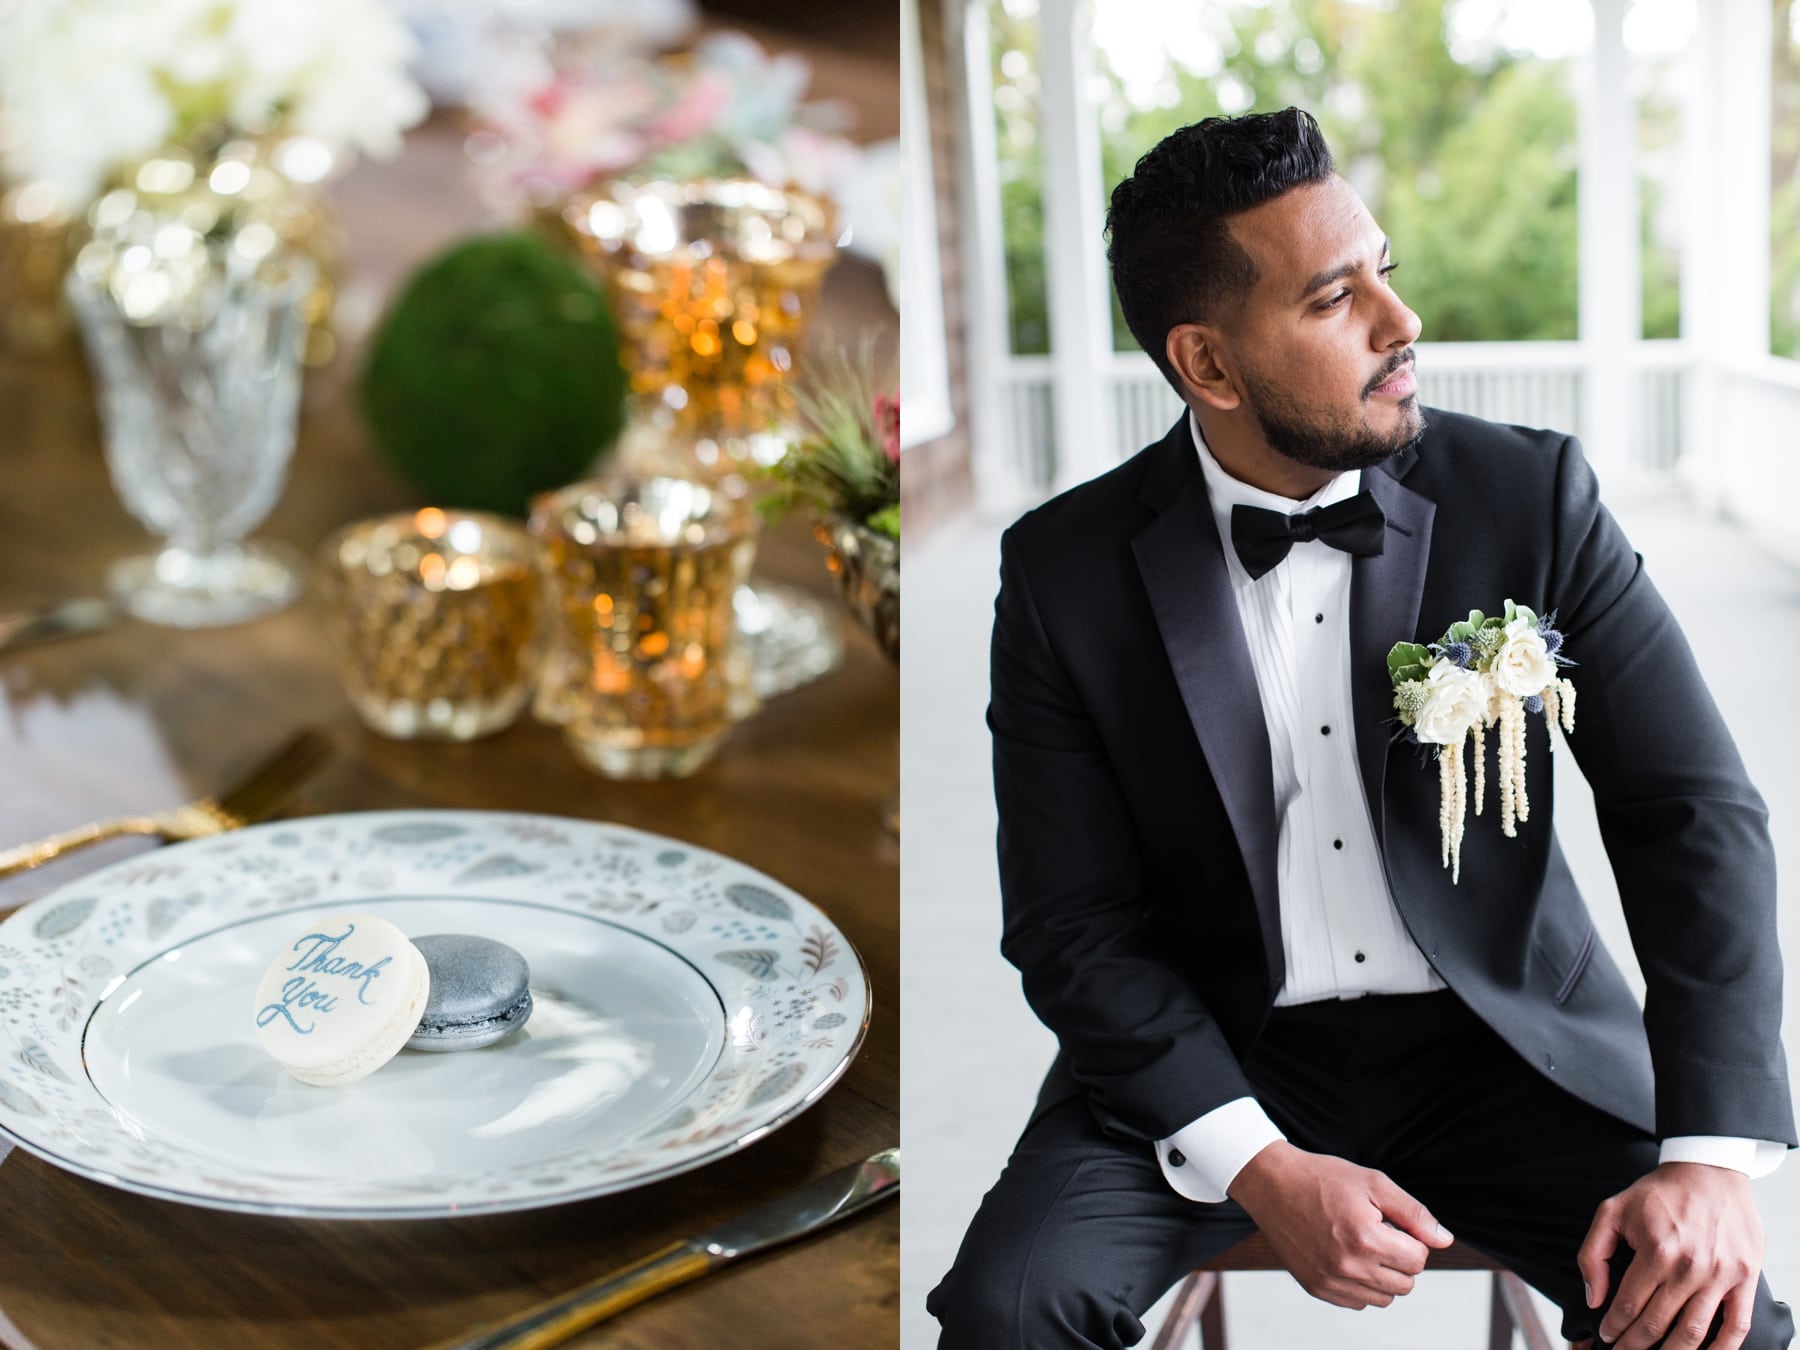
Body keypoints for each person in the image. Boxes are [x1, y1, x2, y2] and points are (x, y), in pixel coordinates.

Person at [926, 108, 1795, 1350]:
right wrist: (1260, 1165)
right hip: (1213, 1048)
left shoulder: (1532, 496)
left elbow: (1692, 812)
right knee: (1012, 1314)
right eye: (1336, 299)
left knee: (1718, 1331)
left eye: (1386, 271)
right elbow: (1073, 927)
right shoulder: (1064, 572)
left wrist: (1710, 1155)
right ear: (1210, 367)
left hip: (1507, 1047)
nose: (1402, 325)